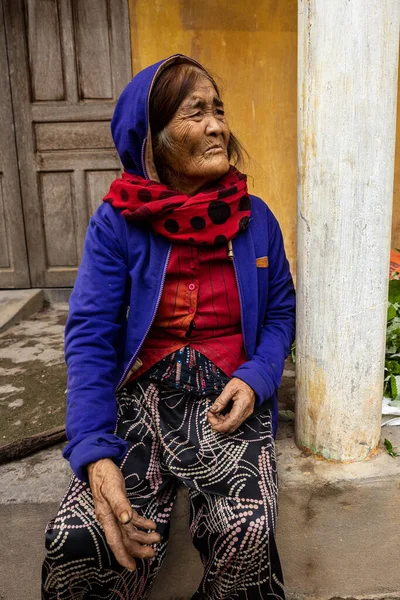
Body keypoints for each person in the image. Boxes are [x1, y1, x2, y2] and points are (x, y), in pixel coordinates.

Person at [42, 54, 295, 600]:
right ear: (153, 138)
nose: (217, 127)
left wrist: (256, 378)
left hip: (226, 399)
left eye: (219, 111)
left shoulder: (257, 220)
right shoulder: (118, 222)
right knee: (83, 538)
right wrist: (93, 450)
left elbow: (279, 315)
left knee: (244, 527)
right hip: (140, 402)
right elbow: (90, 336)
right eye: (195, 113)